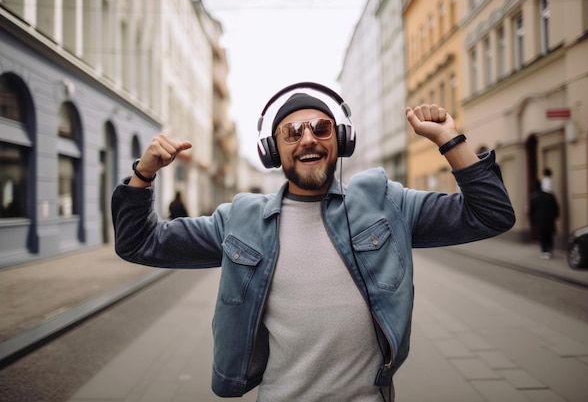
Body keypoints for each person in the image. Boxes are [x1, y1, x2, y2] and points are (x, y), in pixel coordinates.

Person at [112, 82, 515, 402]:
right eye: (291, 132)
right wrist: (143, 175)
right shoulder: (240, 220)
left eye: (321, 128)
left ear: (340, 141)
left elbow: (490, 215)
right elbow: (139, 242)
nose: (308, 139)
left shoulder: (385, 203)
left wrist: (450, 140)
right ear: (273, 150)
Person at [529, 179, 560, 259]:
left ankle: (544, 251)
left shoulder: (534, 197)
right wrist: (556, 216)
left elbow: (531, 211)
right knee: (549, 235)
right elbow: (556, 206)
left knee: (543, 236)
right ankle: (550, 250)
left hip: (540, 220)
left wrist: (532, 221)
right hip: (550, 219)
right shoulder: (550, 195)